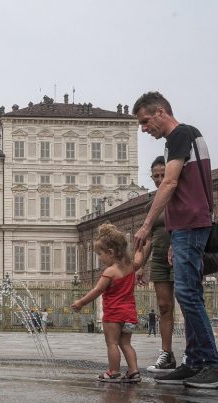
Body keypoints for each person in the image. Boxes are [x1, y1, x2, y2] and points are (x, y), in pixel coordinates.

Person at [132, 92, 218, 388]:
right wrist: (172, 237)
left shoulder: (179, 135)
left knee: (188, 295)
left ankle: (210, 363)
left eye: (145, 121)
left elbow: (169, 183)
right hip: (186, 227)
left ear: (160, 112)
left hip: (190, 225)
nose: (144, 128)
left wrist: (145, 226)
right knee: (189, 292)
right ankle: (194, 361)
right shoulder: (188, 137)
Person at [72, 223, 140, 383]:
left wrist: (81, 302)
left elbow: (97, 290)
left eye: (100, 254)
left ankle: (114, 372)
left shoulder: (110, 272)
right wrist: (143, 245)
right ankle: (134, 372)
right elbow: (140, 258)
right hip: (129, 314)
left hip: (114, 315)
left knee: (112, 343)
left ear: (111, 252)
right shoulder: (131, 267)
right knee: (126, 344)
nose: (99, 258)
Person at [133, 156, 177, 372]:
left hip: (181, 255)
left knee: (189, 306)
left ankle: (193, 353)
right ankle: (166, 354)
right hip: (159, 259)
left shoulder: (181, 197)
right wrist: (141, 265)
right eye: (156, 176)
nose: (160, 179)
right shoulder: (153, 205)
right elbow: (149, 238)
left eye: (163, 175)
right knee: (164, 307)